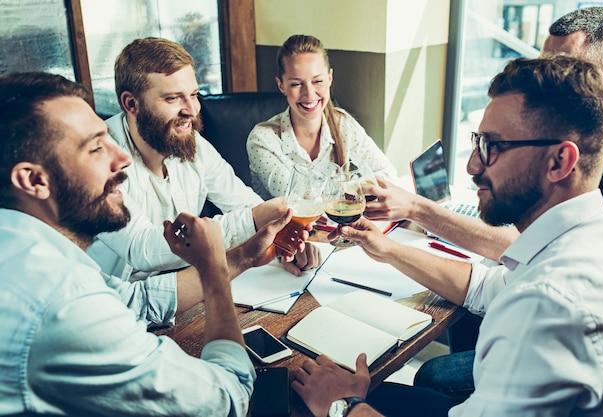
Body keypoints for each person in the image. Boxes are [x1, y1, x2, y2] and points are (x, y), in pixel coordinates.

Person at [292, 55, 603, 417]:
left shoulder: (546, 307)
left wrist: (343, 405)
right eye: (477, 142)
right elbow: (484, 286)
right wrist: (386, 248)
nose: (472, 166)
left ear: (560, 161)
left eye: (493, 147)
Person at [0, 71, 298, 416]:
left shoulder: (25, 249)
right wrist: (214, 270)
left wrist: (243, 256)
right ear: (33, 180)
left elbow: (132, 300)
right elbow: (225, 399)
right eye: (96, 147)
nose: (122, 158)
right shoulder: (65, 301)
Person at [86, 37, 321, 326]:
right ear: (131, 103)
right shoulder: (99, 158)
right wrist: (255, 221)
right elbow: (142, 249)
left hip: (187, 294)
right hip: (118, 312)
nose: (192, 109)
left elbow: (242, 201)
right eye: (173, 98)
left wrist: (281, 239)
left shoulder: (189, 142)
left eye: (194, 94)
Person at [365, 6, 603, 264]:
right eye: (542, 62)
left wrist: (417, 208)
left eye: (562, 65)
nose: (544, 76)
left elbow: (525, 245)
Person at [246, 34, 397, 200]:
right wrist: (354, 189)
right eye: (296, 84)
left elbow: (387, 173)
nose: (309, 94)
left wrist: (356, 189)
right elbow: (300, 200)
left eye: (317, 81)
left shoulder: (342, 124)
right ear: (281, 86)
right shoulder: (262, 139)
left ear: (329, 78)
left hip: (338, 224)